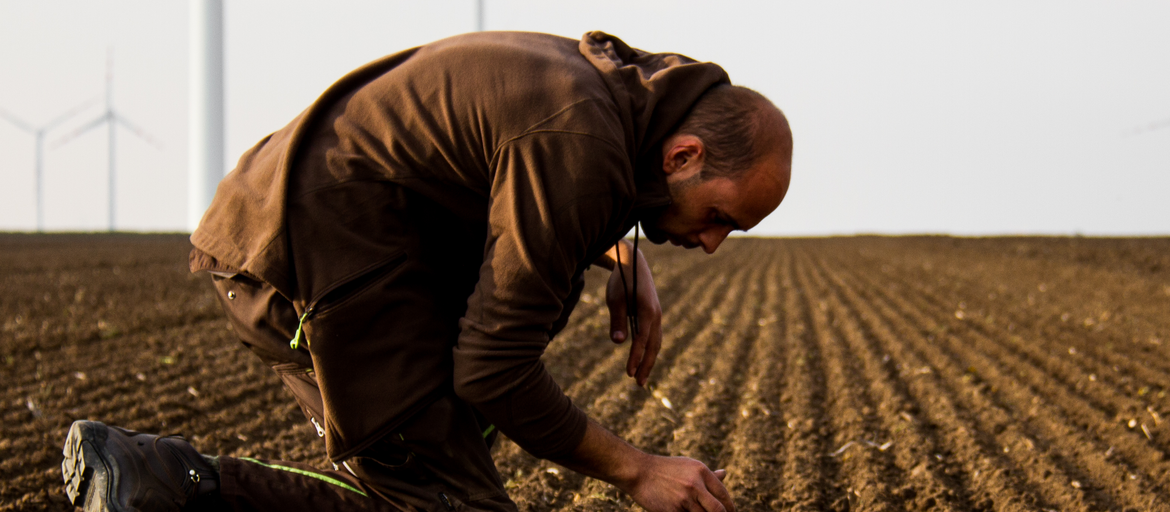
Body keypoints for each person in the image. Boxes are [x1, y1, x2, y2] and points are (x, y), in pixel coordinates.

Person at [57, 30, 791, 512]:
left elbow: (503, 175)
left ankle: (151, 481)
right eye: (723, 216)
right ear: (684, 156)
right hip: (321, 268)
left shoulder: (607, 101)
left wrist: (619, 247)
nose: (715, 243)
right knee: (446, 502)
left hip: (295, 242)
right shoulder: (581, 140)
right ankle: (165, 484)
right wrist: (637, 468)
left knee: (421, 486)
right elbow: (493, 370)